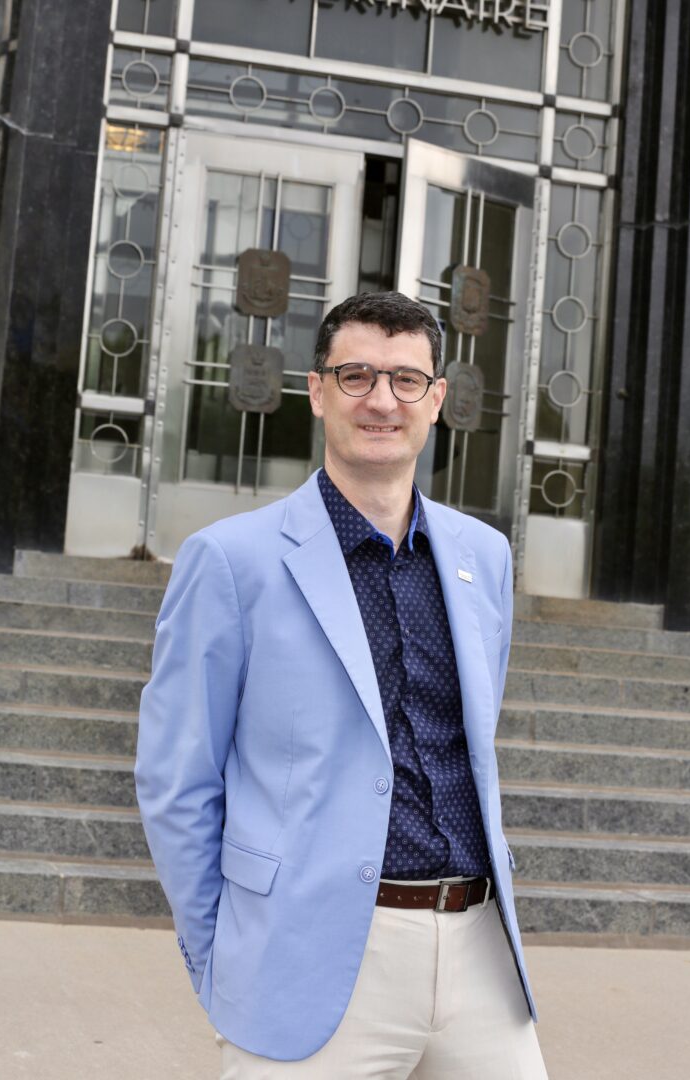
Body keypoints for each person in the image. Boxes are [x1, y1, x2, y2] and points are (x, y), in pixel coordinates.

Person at [135, 292, 549, 1079]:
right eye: (356, 375)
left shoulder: (483, 557)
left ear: (438, 401)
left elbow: (474, 745)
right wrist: (219, 958)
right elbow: (176, 777)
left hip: (479, 956)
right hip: (306, 958)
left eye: (405, 379)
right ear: (318, 390)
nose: (382, 400)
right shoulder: (231, 561)